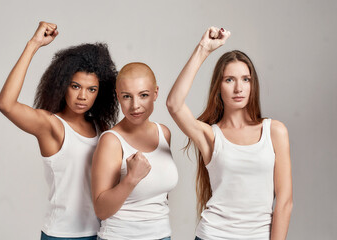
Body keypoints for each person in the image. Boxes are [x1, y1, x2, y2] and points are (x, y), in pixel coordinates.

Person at [166, 27, 293, 240]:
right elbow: (174, 104)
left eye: (246, 79)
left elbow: (285, 201)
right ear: (218, 87)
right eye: (229, 80)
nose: (238, 88)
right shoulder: (210, 136)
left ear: (253, 85)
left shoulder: (274, 131)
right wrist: (203, 49)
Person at [0, 21, 118, 240]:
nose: (83, 96)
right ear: (63, 86)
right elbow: (6, 104)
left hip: (101, 233)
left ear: (100, 93)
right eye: (75, 86)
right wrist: (33, 45)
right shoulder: (51, 125)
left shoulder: (102, 128)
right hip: (61, 235)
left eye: (91, 89)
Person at [91, 62, 178, 240]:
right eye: (127, 96)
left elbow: (159, 196)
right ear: (118, 96)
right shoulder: (111, 141)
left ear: (155, 93)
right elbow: (101, 210)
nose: (135, 105)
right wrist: (131, 179)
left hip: (162, 235)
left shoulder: (164, 133)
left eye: (143, 95)